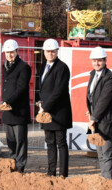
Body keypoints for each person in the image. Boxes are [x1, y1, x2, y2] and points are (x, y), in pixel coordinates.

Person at [37, 39, 72, 177]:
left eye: (53, 51)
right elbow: (43, 87)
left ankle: (63, 174)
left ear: (57, 51)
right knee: (50, 143)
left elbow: (59, 90)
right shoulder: (43, 66)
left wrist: (44, 107)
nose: (50, 53)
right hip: (47, 112)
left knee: (61, 143)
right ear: (44, 52)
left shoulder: (62, 68)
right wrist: (40, 101)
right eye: (48, 51)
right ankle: (51, 173)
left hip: (59, 112)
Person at [86, 46, 112, 179]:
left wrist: (93, 117)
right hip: (96, 121)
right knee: (100, 153)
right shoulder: (93, 74)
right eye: (94, 60)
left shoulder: (110, 78)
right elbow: (92, 96)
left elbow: (103, 100)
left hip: (107, 122)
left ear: (105, 60)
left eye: (99, 60)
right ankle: (103, 179)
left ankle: (107, 182)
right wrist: (90, 111)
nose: (97, 63)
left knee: (106, 154)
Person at [1, 39, 31, 173]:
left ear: (17, 52)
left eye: (11, 52)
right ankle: (13, 162)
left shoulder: (24, 67)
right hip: (8, 111)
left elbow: (21, 88)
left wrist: (8, 101)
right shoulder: (4, 66)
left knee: (20, 141)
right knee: (11, 140)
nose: (9, 55)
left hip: (19, 111)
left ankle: (20, 166)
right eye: (7, 53)